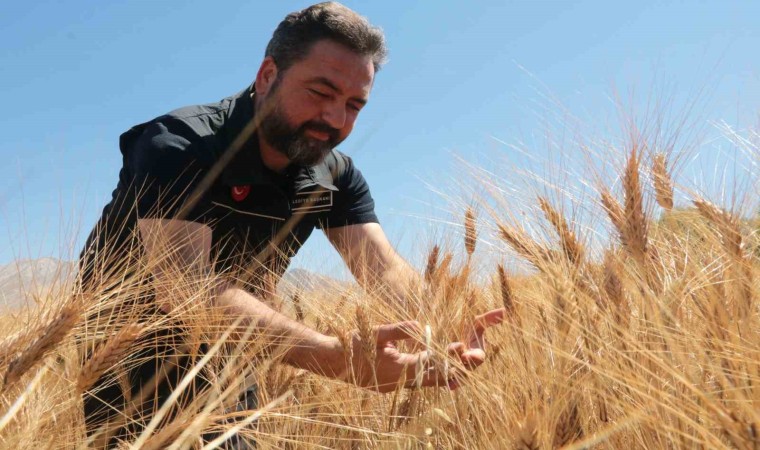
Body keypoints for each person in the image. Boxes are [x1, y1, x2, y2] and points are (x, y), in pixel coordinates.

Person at [78, 2, 504, 446]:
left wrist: (445, 325)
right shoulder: (180, 144)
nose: (335, 120)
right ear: (267, 76)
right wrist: (336, 360)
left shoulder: (335, 175)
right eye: (320, 93)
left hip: (231, 357)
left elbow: (384, 270)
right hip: (130, 369)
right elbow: (186, 289)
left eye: (354, 104)